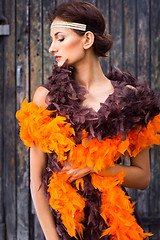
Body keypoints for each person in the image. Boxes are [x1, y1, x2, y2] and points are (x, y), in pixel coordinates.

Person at [16, 1, 160, 240]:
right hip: (66, 228)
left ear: (87, 40)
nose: (52, 48)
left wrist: (99, 167)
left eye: (59, 38)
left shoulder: (129, 98)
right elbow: (36, 181)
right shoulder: (47, 98)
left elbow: (143, 178)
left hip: (117, 227)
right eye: (51, 39)